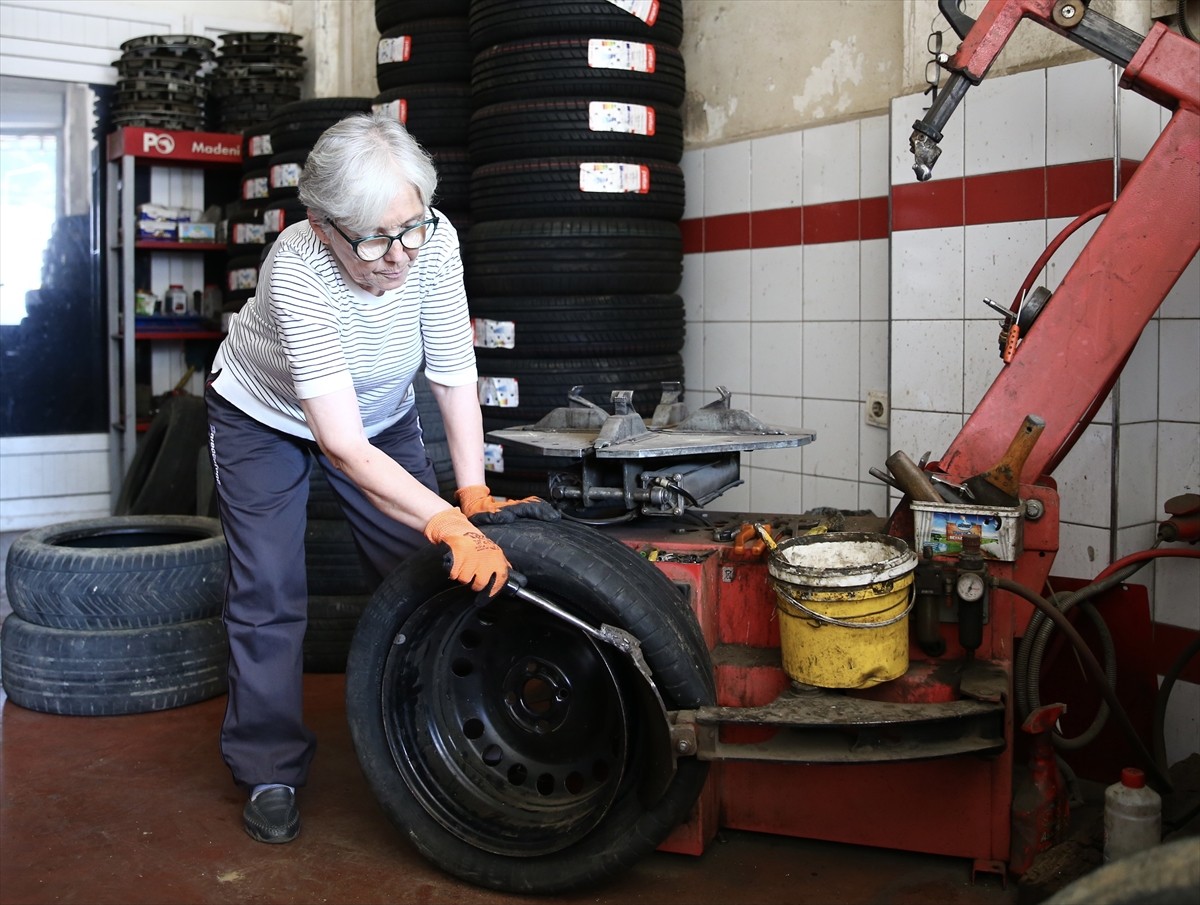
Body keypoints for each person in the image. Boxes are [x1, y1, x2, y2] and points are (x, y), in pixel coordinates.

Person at [204, 111, 557, 845]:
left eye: (409, 229)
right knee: (269, 586)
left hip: (382, 410)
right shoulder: (296, 268)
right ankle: (269, 766)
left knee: (419, 568)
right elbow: (338, 443)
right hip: (265, 414)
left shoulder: (435, 240)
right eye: (372, 238)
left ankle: (442, 730)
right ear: (321, 224)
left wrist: (472, 494)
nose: (397, 256)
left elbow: (455, 373)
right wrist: (447, 520)